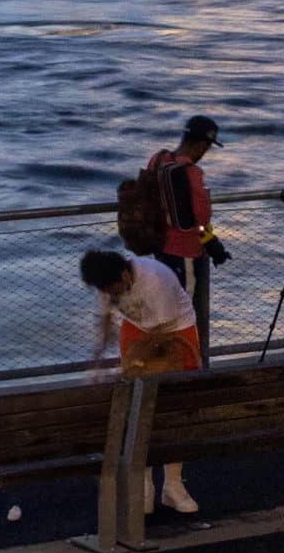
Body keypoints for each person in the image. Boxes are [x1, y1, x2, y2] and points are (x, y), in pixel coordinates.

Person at [79, 246, 201, 516]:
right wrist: (97, 360)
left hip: (175, 329)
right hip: (138, 329)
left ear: (125, 274)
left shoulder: (155, 280)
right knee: (137, 409)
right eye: (107, 292)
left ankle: (173, 486)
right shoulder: (107, 281)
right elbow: (107, 320)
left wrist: (128, 370)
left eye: (115, 290)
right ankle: (143, 485)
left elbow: (158, 337)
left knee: (173, 409)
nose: (112, 296)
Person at [147, 115, 224, 320]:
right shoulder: (192, 173)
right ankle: (183, 350)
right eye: (207, 147)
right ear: (202, 144)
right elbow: (202, 217)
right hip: (185, 252)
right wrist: (209, 240)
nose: (205, 152)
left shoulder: (158, 160)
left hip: (159, 248)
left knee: (164, 303)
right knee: (184, 310)